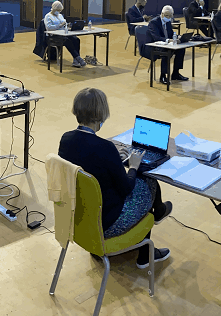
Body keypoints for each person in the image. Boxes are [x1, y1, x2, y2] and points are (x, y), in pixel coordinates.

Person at [57, 88, 172, 267]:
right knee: (148, 181)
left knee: (138, 181)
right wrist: (132, 166)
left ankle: (158, 214)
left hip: (80, 218)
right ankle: (145, 253)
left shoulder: (66, 139)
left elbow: (89, 161)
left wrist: (114, 161)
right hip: (108, 223)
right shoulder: (105, 148)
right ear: (101, 113)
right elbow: (126, 188)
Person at [149, 5, 188, 84]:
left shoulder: (168, 22)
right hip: (156, 46)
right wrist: (168, 40)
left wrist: (178, 37)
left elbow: (170, 34)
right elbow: (156, 37)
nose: (169, 17)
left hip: (167, 44)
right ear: (162, 14)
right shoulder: (154, 22)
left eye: (171, 16)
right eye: (167, 16)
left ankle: (175, 73)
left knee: (181, 49)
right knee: (166, 51)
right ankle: (163, 76)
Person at [44, 0, 86, 67]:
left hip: (63, 33)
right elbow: (49, 28)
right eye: (58, 10)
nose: (59, 12)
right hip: (53, 36)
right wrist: (59, 25)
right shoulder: (48, 16)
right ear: (54, 9)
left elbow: (64, 24)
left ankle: (75, 60)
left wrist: (67, 25)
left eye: (60, 10)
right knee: (66, 41)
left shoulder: (60, 15)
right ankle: (77, 57)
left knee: (76, 39)